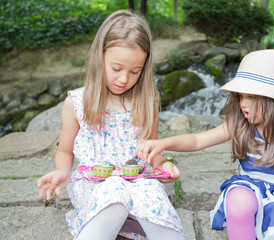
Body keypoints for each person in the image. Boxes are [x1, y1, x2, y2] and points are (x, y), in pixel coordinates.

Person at [136, 49, 274, 240]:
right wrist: (163, 143)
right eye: (241, 96)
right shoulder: (240, 126)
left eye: (252, 97)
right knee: (238, 202)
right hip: (250, 188)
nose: (243, 104)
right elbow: (197, 140)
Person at [37, 10, 184, 240]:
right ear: (100, 58)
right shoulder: (77, 103)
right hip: (96, 187)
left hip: (138, 185)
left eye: (135, 71)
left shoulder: (146, 102)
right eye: (116, 68)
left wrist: (162, 164)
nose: (124, 79)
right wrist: (62, 171)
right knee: (114, 193)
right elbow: (65, 150)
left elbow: (152, 151)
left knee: (152, 193)